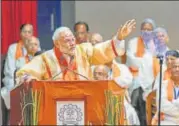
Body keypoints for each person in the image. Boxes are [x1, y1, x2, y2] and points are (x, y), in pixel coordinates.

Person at [15, 19, 136, 85]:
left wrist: (119, 38)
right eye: (67, 40)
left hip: (83, 101)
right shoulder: (46, 58)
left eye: (73, 39)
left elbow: (103, 50)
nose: (72, 43)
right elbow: (23, 73)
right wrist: (28, 79)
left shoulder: (83, 51)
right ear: (57, 43)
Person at [126, 18, 160, 125]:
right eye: (144, 29)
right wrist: (147, 60)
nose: (146, 31)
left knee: (148, 111)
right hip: (136, 82)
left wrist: (143, 60)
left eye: (149, 29)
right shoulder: (133, 42)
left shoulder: (158, 45)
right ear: (140, 30)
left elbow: (159, 64)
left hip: (152, 83)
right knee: (134, 108)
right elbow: (131, 61)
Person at [1, 24, 34, 110]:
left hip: (31, 80)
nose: (27, 34)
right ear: (20, 33)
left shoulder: (35, 46)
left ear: (32, 34)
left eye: (29, 32)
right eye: (24, 32)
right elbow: (10, 69)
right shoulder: (13, 48)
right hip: (15, 79)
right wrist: (18, 81)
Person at [152, 58, 179, 125]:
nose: (177, 69)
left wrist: (172, 103)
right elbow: (162, 106)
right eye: (175, 67)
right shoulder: (162, 85)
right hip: (166, 120)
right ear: (170, 70)